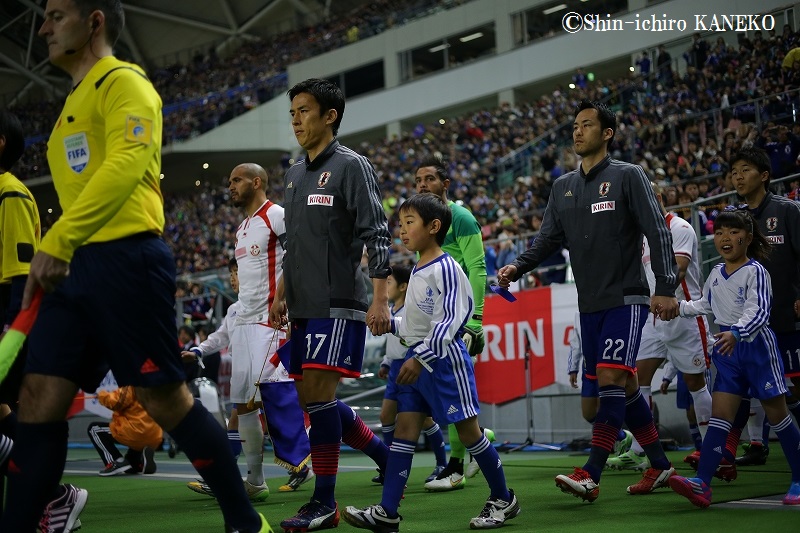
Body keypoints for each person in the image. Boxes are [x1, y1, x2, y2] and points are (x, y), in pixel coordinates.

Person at [1, 2, 269, 531]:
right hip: (74, 269)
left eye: (57, 14)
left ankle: (243, 520)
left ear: (94, 21)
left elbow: (126, 163)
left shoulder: (125, 82)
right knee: (37, 399)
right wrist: (63, 251)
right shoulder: (72, 102)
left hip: (126, 259)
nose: (44, 26)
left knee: (163, 398)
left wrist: (58, 240)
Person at [498, 100, 680, 502]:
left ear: (607, 133)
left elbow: (658, 232)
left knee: (613, 380)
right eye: (575, 126)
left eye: (586, 125)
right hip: (589, 304)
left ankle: (591, 472)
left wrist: (665, 286)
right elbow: (547, 239)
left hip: (626, 297)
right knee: (627, 386)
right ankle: (661, 465)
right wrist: (518, 267)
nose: (577, 132)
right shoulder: (562, 186)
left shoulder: (628, 176)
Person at [343, 193, 520, 531]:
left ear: (434, 226)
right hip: (420, 358)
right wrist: (390, 324)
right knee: (405, 431)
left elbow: (452, 320)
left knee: (469, 433)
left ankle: (503, 498)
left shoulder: (447, 268)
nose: (402, 230)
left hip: (444, 361)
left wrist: (421, 357)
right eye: (400, 224)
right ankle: (387, 512)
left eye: (409, 223)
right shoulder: (419, 268)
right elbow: (414, 324)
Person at [269, 78, 391, 532]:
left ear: (330, 116)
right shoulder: (293, 175)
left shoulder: (351, 167)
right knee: (311, 398)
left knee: (318, 396)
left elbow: (376, 233)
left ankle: (324, 502)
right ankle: (384, 455)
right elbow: (294, 245)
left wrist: (380, 299)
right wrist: (282, 292)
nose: (296, 120)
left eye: (304, 111)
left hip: (339, 303)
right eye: (292, 113)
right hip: (301, 304)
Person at [665, 208, 800, 507]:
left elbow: (759, 311)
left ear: (748, 238)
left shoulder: (756, 271)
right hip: (727, 353)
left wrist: (737, 332)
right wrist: (677, 307)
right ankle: (702, 483)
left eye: (734, 232)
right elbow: (704, 304)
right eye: (720, 232)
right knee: (719, 419)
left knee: (778, 416)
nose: (725, 238)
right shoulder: (715, 273)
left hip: (756, 348)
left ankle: (798, 479)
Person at [0, 109, 89, 533]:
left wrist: (10, 339)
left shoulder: (9, 193)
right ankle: (46, 496)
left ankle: (51, 495)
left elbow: (19, 276)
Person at [607, 182, 713, 472]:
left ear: (657, 198)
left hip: (683, 315)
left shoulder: (679, 227)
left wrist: (664, 297)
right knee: (637, 379)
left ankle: (711, 449)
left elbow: (678, 268)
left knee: (695, 384)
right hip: (653, 318)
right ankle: (641, 450)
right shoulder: (641, 236)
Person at [413, 155, 492, 490]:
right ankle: (474, 442)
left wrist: (476, 320)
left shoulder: (460, 217)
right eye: (418, 180)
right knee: (443, 393)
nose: (422, 185)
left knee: (454, 396)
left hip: (458, 317)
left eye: (429, 179)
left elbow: (477, 267)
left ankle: (456, 466)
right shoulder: (421, 223)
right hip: (435, 317)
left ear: (445, 185)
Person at [727, 147, 800, 468]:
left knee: (794, 389)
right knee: (743, 389)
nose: (738, 177)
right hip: (751, 321)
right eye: (734, 172)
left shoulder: (788, 211)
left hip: (787, 315)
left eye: (745, 170)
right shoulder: (737, 219)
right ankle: (741, 449)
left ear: (765, 175)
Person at [373, 263, 449, 485]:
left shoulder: (410, 310)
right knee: (386, 416)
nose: (385, 286)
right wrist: (386, 362)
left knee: (423, 419)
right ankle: (388, 465)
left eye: (389, 282)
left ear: (404, 286)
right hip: (395, 367)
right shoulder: (390, 309)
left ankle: (442, 464)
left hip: (411, 364)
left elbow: (412, 337)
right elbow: (392, 341)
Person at [87, 385, 161, 475]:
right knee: (130, 466)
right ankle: (139, 464)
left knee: (94, 429)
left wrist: (101, 395)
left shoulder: (132, 386)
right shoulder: (155, 387)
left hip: (136, 432)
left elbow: (115, 402)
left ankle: (115, 462)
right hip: (154, 436)